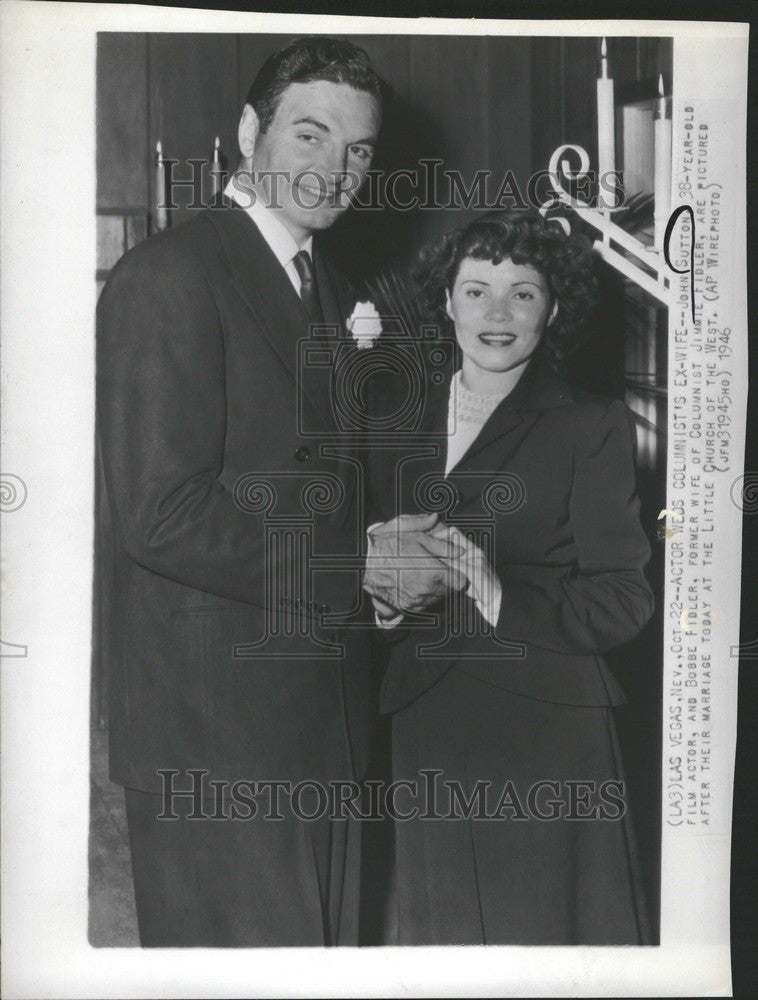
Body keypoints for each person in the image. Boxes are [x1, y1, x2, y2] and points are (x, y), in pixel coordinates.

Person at [95, 36, 395, 947]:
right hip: (216, 741)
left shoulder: (327, 283)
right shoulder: (171, 276)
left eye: (358, 151)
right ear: (247, 132)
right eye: (310, 136)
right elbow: (162, 514)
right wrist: (355, 564)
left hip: (320, 721)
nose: (334, 169)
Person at [363, 209, 655, 945]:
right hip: (426, 715)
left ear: (553, 308)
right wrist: (386, 603)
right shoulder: (393, 419)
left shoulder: (593, 426)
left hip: (545, 726)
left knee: (543, 944)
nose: (497, 314)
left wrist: (493, 592)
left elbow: (624, 598)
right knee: (446, 945)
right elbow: (369, 559)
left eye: (522, 293)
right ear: (445, 301)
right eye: (476, 291)